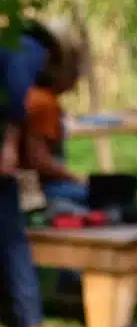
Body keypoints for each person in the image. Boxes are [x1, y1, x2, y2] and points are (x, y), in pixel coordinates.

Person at [0, 23, 51, 327]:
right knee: (11, 234)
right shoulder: (28, 49)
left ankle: (31, 322)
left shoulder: (20, 48)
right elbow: (17, 99)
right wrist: (9, 145)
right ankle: (31, 322)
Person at [22, 21, 88, 208]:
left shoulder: (31, 95)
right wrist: (76, 178)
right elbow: (39, 160)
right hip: (42, 190)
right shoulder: (43, 102)